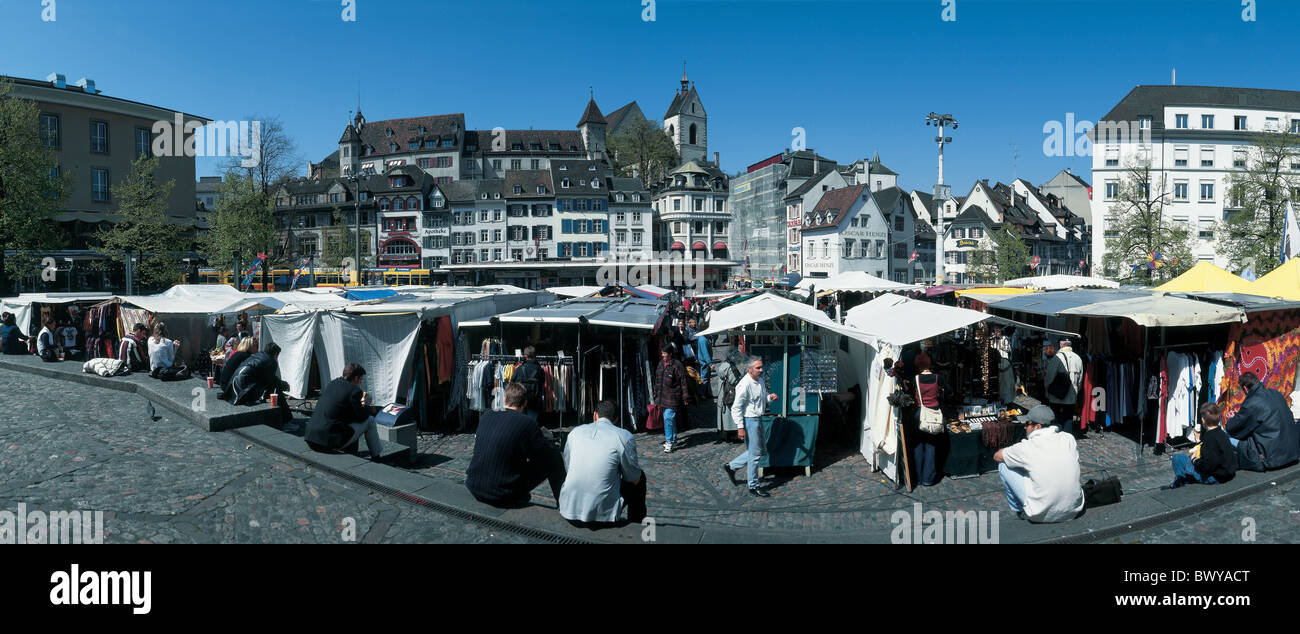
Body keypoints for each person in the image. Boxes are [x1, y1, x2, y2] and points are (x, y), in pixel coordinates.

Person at [465, 382, 566, 508]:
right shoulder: (527, 423)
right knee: (554, 457)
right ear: (524, 403)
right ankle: (564, 504)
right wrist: (547, 440)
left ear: (504, 399)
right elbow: (540, 456)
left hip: (474, 485)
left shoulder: (487, 415)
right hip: (502, 493)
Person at [559, 399, 646, 527]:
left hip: (568, 510)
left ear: (595, 415)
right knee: (640, 478)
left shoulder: (575, 432)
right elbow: (633, 477)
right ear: (616, 420)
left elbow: (568, 465)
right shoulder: (623, 436)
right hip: (603, 517)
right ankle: (637, 524)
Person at [994, 404, 1085, 523]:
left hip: (1040, 513)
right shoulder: (1068, 438)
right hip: (1074, 509)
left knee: (1003, 465)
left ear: (1037, 426)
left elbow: (997, 456)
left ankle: (1020, 510)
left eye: (1028, 424)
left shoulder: (1027, 447)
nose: (1025, 427)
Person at [726, 356, 779, 497]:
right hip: (750, 420)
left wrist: (769, 398)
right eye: (758, 368)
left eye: (762, 367)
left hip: (758, 419)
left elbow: (761, 399)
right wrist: (740, 427)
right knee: (755, 455)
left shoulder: (759, 380)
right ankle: (753, 485)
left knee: (758, 451)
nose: (761, 370)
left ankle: (731, 466)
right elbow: (736, 408)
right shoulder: (744, 384)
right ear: (750, 369)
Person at [1225, 372, 1300, 472]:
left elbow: (1233, 428)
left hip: (1270, 458)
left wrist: (1231, 419)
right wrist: (1241, 415)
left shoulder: (1252, 402)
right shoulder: (1276, 393)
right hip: (1291, 453)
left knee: (1224, 434)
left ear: (1245, 388)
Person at [304, 363, 382, 459]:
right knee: (370, 420)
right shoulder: (354, 391)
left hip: (311, 438)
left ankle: (351, 451)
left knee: (348, 423)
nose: (361, 383)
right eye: (361, 380)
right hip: (328, 442)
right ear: (356, 378)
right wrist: (366, 404)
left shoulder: (332, 384)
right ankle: (376, 456)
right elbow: (362, 417)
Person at [1164, 403, 1237, 489]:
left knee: (1177, 458)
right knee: (1188, 459)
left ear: (1203, 420)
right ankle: (1186, 478)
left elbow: (1208, 465)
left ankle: (1181, 480)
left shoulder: (1209, 438)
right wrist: (1198, 440)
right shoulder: (1222, 434)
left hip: (1214, 477)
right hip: (1227, 473)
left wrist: (1195, 460)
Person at [912, 352, 949, 487]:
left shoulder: (915, 379)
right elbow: (949, 391)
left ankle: (918, 478)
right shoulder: (938, 378)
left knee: (918, 445)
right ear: (929, 364)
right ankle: (928, 478)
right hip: (933, 414)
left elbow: (911, 395)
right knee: (931, 445)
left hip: (919, 414)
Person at [654, 342, 692, 453]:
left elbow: (683, 382)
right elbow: (657, 380)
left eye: (664, 353)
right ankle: (674, 438)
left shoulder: (677, 365)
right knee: (669, 419)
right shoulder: (661, 364)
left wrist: (685, 398)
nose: (662, 355)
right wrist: (656, 395)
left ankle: (669, 441)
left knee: (668, 418)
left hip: (672, 397)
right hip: (662, 397)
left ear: (670, 354)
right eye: (662, 353)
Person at [228, 342, 289, 409]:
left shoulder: (258, 355)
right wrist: (284, 385)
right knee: (276, 390)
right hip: (242, 390)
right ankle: (285, 417)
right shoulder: (271, 361)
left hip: (232, 387)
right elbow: (271, 380)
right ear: (276, 354)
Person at [1044, 339, 1083, 435]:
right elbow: (1080, 379)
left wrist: (1047, 390)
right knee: (1068, 418)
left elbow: (1049, 377)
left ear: (1061, 345)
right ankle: (1067, 440)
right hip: (1071, 395)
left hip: (1056, 395)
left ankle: (1057, 440)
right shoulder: (1078, 358)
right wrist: (1076, 391)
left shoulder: (1057, 357)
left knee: (1056, 418)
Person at [511, 346, 545, 421]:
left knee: (520, 423)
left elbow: (512, 383)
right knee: (532, 423)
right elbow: (542, 384)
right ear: (535, 355)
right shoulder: (540, 370)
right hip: (535, 403)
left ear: (525, 356)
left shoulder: (519, 369)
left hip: (520, 402)